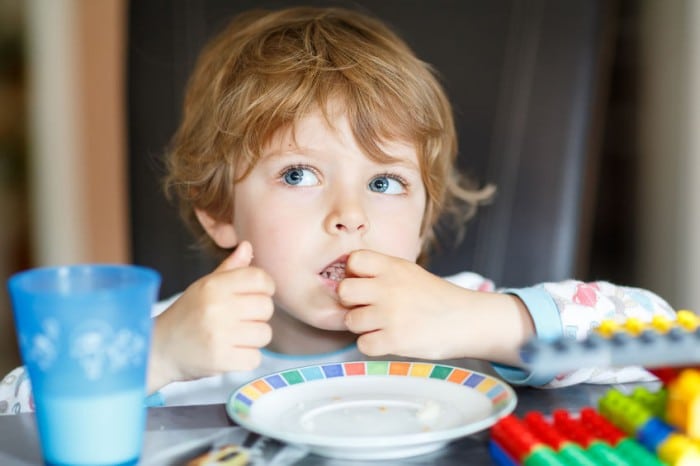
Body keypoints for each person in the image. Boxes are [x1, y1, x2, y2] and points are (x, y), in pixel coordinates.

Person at [0, 6, 675, 414]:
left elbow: (669, 348)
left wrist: (489, 322)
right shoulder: (179, 340)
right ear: (218, 210)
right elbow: (19, 414)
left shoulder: (468, 321)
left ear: (423, 217)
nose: (350, 214)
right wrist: (161, 357)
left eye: (386, 183)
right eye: (299, 173)